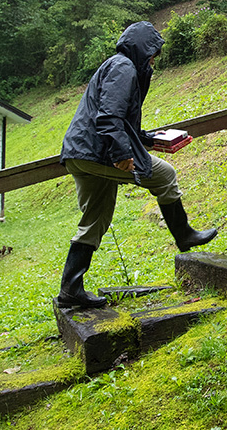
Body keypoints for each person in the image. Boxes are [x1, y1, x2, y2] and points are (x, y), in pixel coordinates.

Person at [56, 21, 217, 309]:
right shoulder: (123, 67)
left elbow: (116, 117)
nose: (155, 59)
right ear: (142, 49)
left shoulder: (117, 65)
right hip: (99, 153)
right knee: (166, 175)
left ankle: (70, 289)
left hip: (80, 154)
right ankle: (185, 236)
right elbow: (108, 117)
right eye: (153, 53)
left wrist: (147, 139)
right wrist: (121, 154)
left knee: (95, 218)